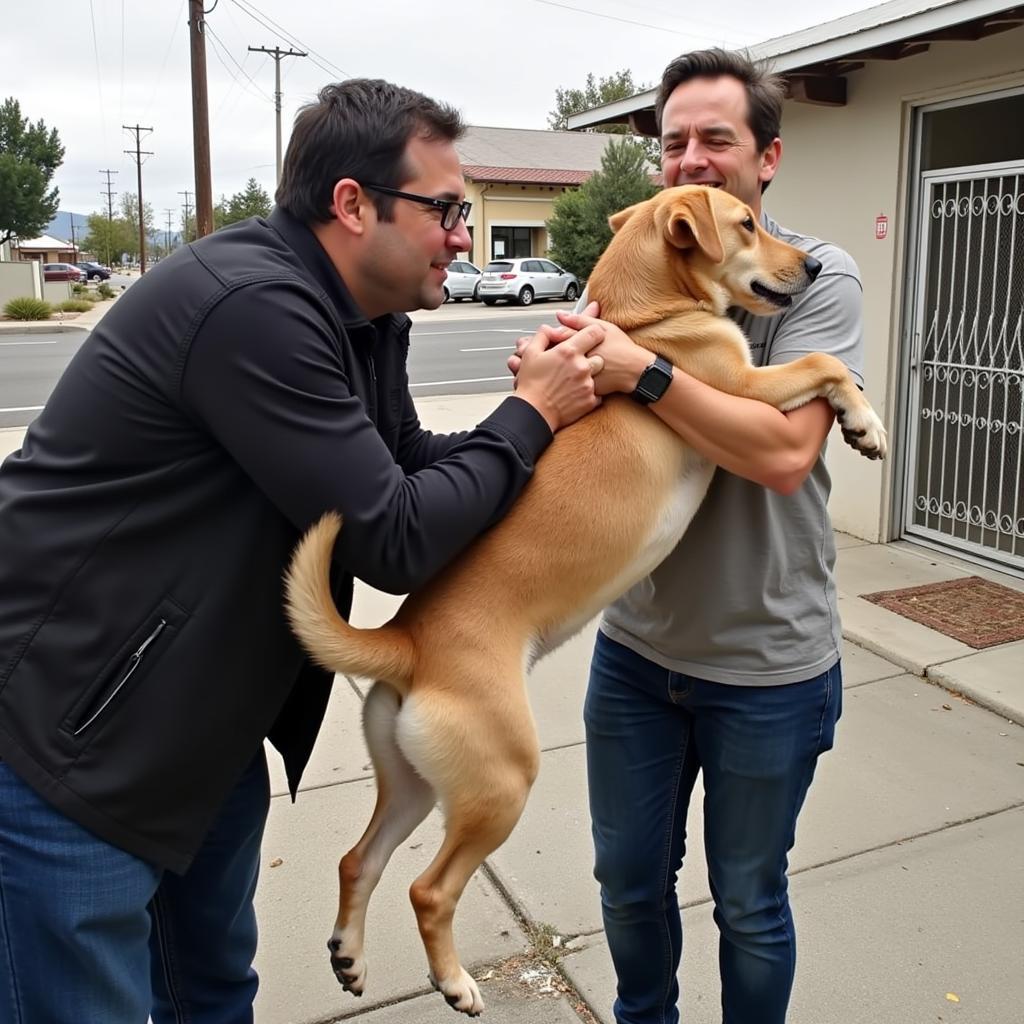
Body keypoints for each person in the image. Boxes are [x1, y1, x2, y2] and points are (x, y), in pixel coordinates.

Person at [0, 79, 614, 1023]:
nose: (463, 231)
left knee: (211, 992)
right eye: (446, 208)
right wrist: (529, 415)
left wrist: (564, 437)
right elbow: (394, 538)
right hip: (68, 740)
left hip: (198, 730)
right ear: (353, 205)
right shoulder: (253, 307)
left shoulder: (364, 319)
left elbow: (406, 467)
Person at [517, 48, 863, 1024]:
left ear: (767, 156)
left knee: (749, 904)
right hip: (637, 655)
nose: (691, 158)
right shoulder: (640, 265)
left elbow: (785, 454)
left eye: (716, 137)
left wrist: (642, 372)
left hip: (766, 662)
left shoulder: (814, 278)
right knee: (627, 887)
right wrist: (553, 380)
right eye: (674, 142)